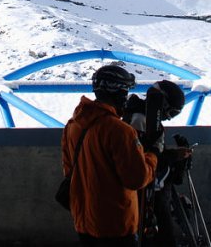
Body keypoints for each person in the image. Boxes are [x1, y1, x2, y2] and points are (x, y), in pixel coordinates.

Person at [62, 64, 159, 246]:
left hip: (83, 220)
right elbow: (136, 179)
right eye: (125, 91)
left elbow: (69, 171)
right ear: (119, 93)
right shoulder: (120, 131)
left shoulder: (73, 125)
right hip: (115, 223)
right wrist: (153, 155)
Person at [122, 80, 191, 247]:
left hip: (154, 190)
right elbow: (142, 156)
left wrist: (175, 156)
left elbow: (153, 153)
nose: (169, 117)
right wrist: (173, 156)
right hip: (147, 194)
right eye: (172, 112)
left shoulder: (148, 120)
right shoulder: (139, 120)